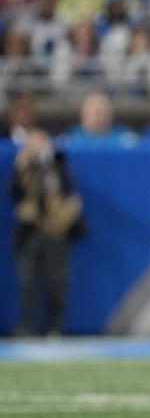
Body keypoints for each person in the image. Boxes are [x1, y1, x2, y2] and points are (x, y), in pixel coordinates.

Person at [8, 127, 84, 336]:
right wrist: (23, 168)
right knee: (27, 283)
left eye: (40, 143)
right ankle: (26, 326)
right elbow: (13, 193)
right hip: (29, 232)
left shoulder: (58, 165)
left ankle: (55, 327)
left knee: (57, 282)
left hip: (55, 231)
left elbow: (69, 194)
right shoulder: (22, 166)